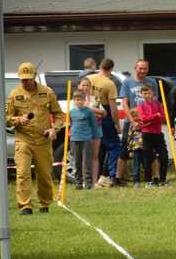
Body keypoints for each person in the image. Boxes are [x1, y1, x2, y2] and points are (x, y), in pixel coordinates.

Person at [6, 62, 64, 214]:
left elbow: (59, 115)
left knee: (44, 175)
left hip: (43, 140)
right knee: (23, 173)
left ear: (34, 77)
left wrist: (54, 128)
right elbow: (6, 118)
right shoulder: (14, 95)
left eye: (28, 79)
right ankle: (25, 205)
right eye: (23, 79)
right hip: (23, 138)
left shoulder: (47, 92)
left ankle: (44, 203)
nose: (26, 82)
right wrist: (18, 120)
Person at [115, 59, 158, 186]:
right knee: (125, 149)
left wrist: (149, 117)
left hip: (147, 122)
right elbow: (124, 103)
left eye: (145, 69)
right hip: (131, 122)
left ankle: (155, 177)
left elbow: (155, 101)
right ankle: (118, 178)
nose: (142, 71)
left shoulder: (152, 82)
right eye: (140, 68)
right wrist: (133, 121)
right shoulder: (127, 82)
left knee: (151, 149)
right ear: (135, 68)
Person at [88, 58, 121, 187]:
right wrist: (117, 125)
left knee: (99, 148)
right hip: (104, 114)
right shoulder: (110, 84)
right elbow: (113, 108)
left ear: (100, 66)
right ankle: (111, 176)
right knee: (114, 146)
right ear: (111, 69)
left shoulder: (89, 79)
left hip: (89, 113)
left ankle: (95, 177)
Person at [76, 77, 106, 183]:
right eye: (83, 85)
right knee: (84, 156)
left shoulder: (95, 99)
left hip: (96, 129)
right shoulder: (76, 99)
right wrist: (95, 112)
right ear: (79, 86)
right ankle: (85, 181)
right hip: (83, 131)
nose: (86, 87)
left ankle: (94, 181)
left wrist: (92, 110)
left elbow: (104, 113)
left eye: (88, 85)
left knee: (95, 155)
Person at [138, 85, 169, 187]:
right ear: (141, 94)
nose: (146, 95)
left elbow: (164, 117)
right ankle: (149, 181)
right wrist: (156, 116)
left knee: (164, 156)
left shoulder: (158, 104)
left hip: (158, 134)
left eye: (148, 93)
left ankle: (163, 179)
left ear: (153, 94)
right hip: (147, 134)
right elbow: (143, 119)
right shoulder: (141, 105)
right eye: (144, 93)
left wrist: (152, 119)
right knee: (148, 158)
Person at [70, 90, 98, 190]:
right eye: (77, 100)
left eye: (81, 99)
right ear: (74, 100)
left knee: (87, 162)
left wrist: (94, 137)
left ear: (85, 100)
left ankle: (88, 183)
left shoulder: (89, 111)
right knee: (77, 162)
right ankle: (78, 183)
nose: (79, 102)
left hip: (86, 139)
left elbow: (94, 125)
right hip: (74, 139)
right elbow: (70, 124)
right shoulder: (72, 112)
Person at [126, 108, 145, 187]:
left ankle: (148, 179)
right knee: (136, 165)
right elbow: (129, 138)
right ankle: (136, 181)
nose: (136, 118)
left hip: (144, 147)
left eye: (137, 115)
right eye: (133, 116)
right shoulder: (132, 126)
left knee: (145, 164)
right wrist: (129, 149)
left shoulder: (142, 123)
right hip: (136, 148)